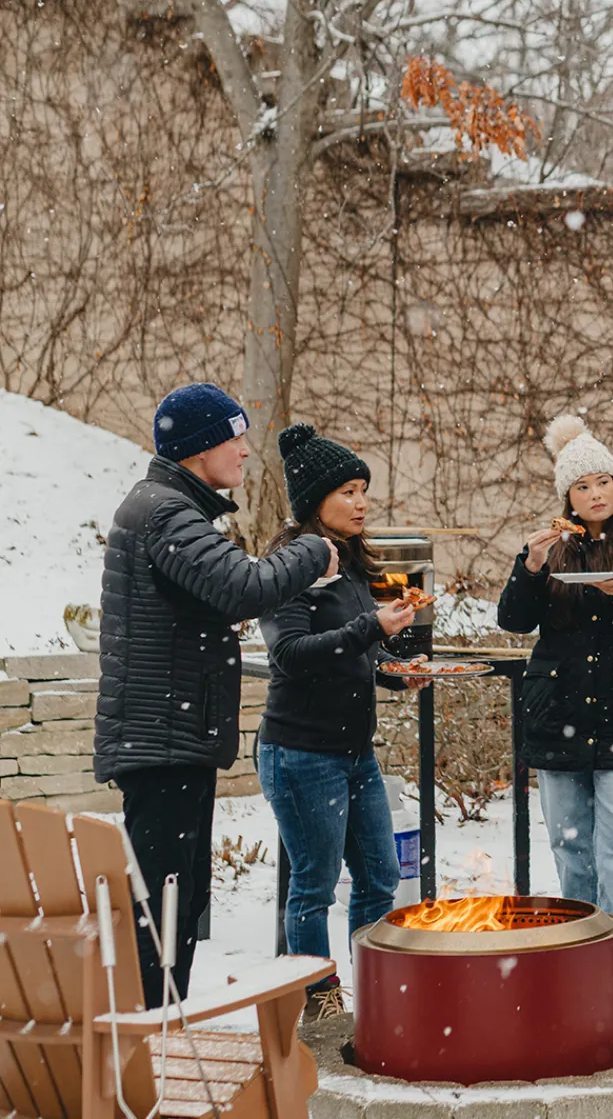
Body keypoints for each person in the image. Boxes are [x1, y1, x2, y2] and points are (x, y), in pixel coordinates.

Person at [95, 383, 337, 1002]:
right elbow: (243, 588)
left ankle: (154, 1036)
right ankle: (147, 1045)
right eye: (236, 437)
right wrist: (312, 549)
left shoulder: (169, 507)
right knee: (164, 912)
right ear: (201, 448)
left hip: (171, 740)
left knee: (177, 906)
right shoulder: (165, 511)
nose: (246, 451)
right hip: (163, 745)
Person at [497, 415, 613, 1003]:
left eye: (603, 481)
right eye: (582, 487)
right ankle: (579, 972)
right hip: (557, 716)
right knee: (572, 853)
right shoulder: (551, 548)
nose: (595, 493)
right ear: (568, 497)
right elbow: (513, 620)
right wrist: (529, 567)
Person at [258, 423, 427, 1021]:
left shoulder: (349, 563)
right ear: (314, 502)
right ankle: (319, 1001)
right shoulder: (289, 564)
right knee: (314, 883)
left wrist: (393, 670)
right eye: (348, 491)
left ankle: (376, 996)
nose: (361, 502)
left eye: (363, 490)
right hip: (301, 752)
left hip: (356, 752)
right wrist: (371, 629)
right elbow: (292, 654)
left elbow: (354, 650)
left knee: (380, 879)